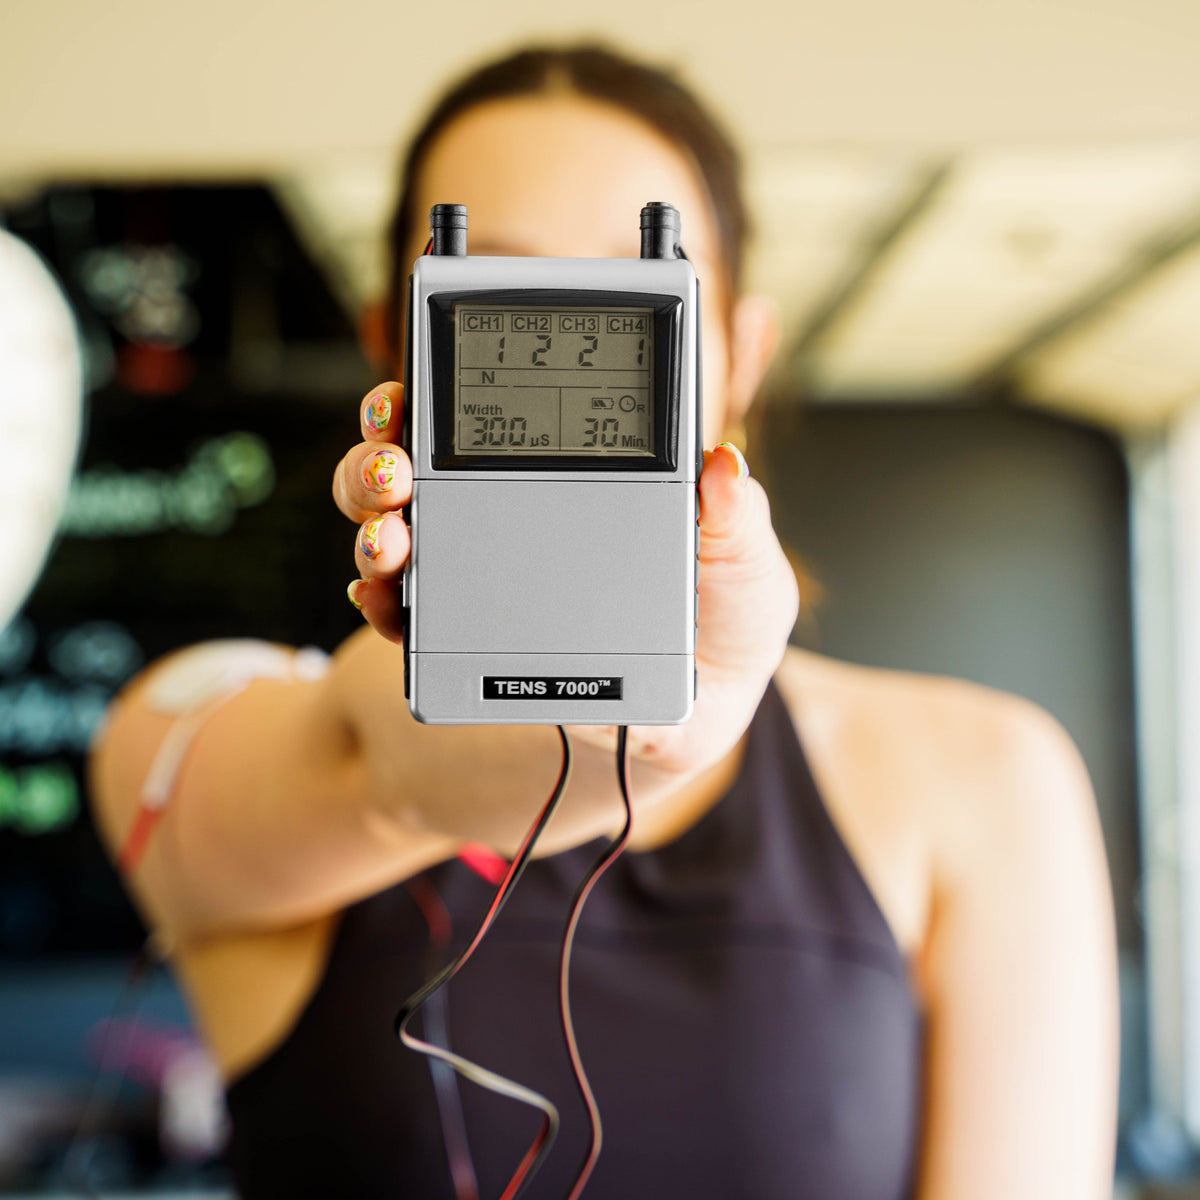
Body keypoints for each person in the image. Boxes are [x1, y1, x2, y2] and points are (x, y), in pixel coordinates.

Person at [90, 43, 1119, 1200]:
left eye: (634, 296)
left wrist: (677, 697)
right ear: (401, 341)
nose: (568, 339)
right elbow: (375, 763)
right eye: (505, 296)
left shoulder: (987, 780)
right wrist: (655, 719)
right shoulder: (186, 746)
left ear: (738, 350)